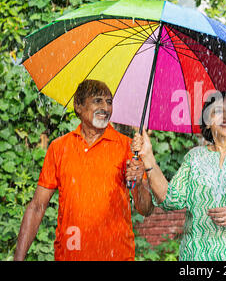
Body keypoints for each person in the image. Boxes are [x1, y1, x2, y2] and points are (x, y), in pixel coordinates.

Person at [130, 91, 226, 260]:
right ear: (207, 122)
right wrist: (148, 157)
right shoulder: (194, 157)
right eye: (218, 111)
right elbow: (169, 199)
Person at [14, 79, 153, 261]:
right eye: (98, 100)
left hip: (117, 256)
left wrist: (138, 185)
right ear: (78, 106)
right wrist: (18, 258)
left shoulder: (127, 148)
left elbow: (146, 209)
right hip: (70, 256)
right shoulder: (59, 148)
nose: (105, 107)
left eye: (109, 102)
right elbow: (37, 207)